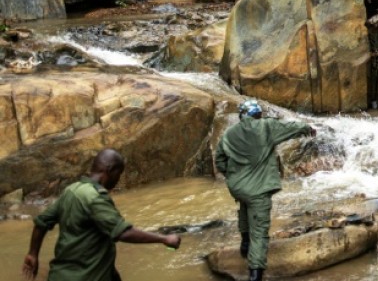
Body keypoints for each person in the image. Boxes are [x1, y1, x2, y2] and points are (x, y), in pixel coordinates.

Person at [21, 148, 182, 281]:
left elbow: (41, 222)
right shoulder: (95, 197)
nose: (117, 181)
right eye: (118, 176)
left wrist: (32, 253)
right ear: (110, 170)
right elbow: (123, 233)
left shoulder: (71, 190)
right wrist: (164, 238)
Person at [214, 99, 316, 281]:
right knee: (260, 231)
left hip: (237, 187)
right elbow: (291, 127)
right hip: (258, 190)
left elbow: (220, 160)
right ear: (257, 115)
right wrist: (307, 128)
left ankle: (245, 244)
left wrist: (234, 175)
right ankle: (255, 272)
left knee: (245, 207)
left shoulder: (229, 134)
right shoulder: (266, 127)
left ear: (242, 116)